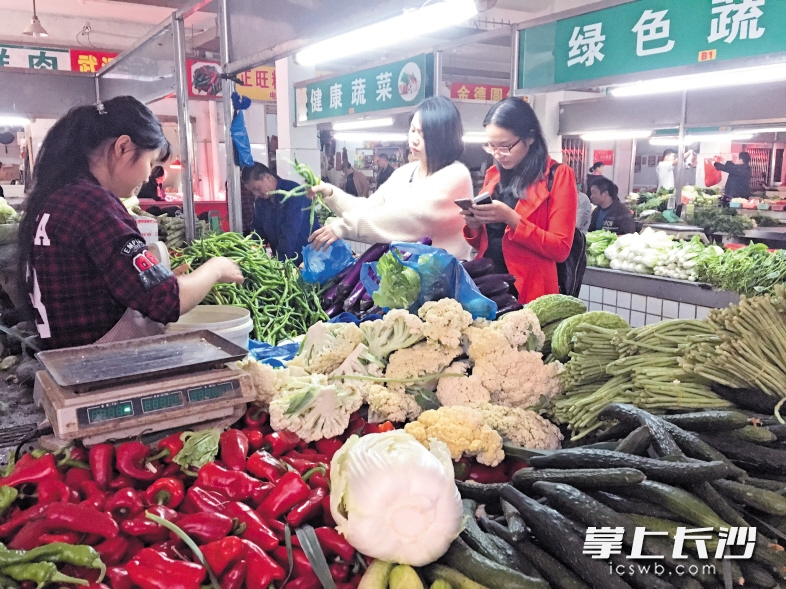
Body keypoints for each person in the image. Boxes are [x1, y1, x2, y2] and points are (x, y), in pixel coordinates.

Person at [18, 96, 243, 349]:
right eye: (150, 162)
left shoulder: (59, 197)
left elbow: (99, 284)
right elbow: (167, 301)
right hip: (101, 368)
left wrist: (157, 277)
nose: (149, 175)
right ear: (123, 147)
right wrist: (216, 268)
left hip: (68, 360)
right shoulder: (95, 206)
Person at [308, 96, 473, 259]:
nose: (414, 139)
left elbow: (412, 217)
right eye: (413, 130)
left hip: (443, 279)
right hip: (408, 278)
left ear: (442, 139)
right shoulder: (405, 173)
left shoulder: (456, 175)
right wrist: (331, 194)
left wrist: (346, 226)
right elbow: (369, 208)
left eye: (423, 135)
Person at [461, 97, 578, 303]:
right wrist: (474, 224)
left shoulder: (558, 176)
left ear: (530, 137)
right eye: (491, 146)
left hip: (530, 291)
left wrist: (512, 219)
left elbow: (560, 249)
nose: (498, 154)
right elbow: (486, 242)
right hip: (487, 286)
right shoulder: (492, 176)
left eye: (505, 146)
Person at [242, 162, 317, 265]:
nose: (256, 194)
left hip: (308, 260)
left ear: (267, 177)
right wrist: (253, 254)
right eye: (252, 191)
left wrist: (278, 263)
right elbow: (258, 231)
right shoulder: (261, 202)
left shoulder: (294, 192)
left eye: (257, 188)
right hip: (283, 261)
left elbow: (290, 233)